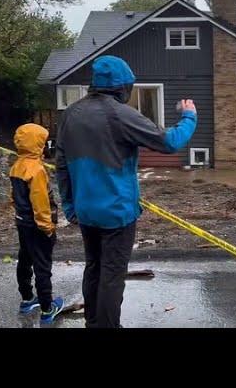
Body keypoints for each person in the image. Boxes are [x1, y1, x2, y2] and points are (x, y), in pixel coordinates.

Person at [56, 55, 197, 328]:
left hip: (85, 211)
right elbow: (169, 142)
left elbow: (61, 165)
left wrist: (70, 206)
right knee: (112, 274)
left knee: (94, 267)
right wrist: (189, 116)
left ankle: (93, 322)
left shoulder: (70, 114)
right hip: (117, 213)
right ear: (123, 87)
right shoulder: (120, 114)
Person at [10, 123, 64, 324]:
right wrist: (48, 228)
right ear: (37, 144)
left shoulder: (16, 166)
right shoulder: (37, 170)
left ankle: (26, 299)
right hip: (38, 226)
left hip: (22, 223)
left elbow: (13, 196)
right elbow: (40, 203)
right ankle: (48, 308)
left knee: (24, 258)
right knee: (43, 266)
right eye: (43, 141)